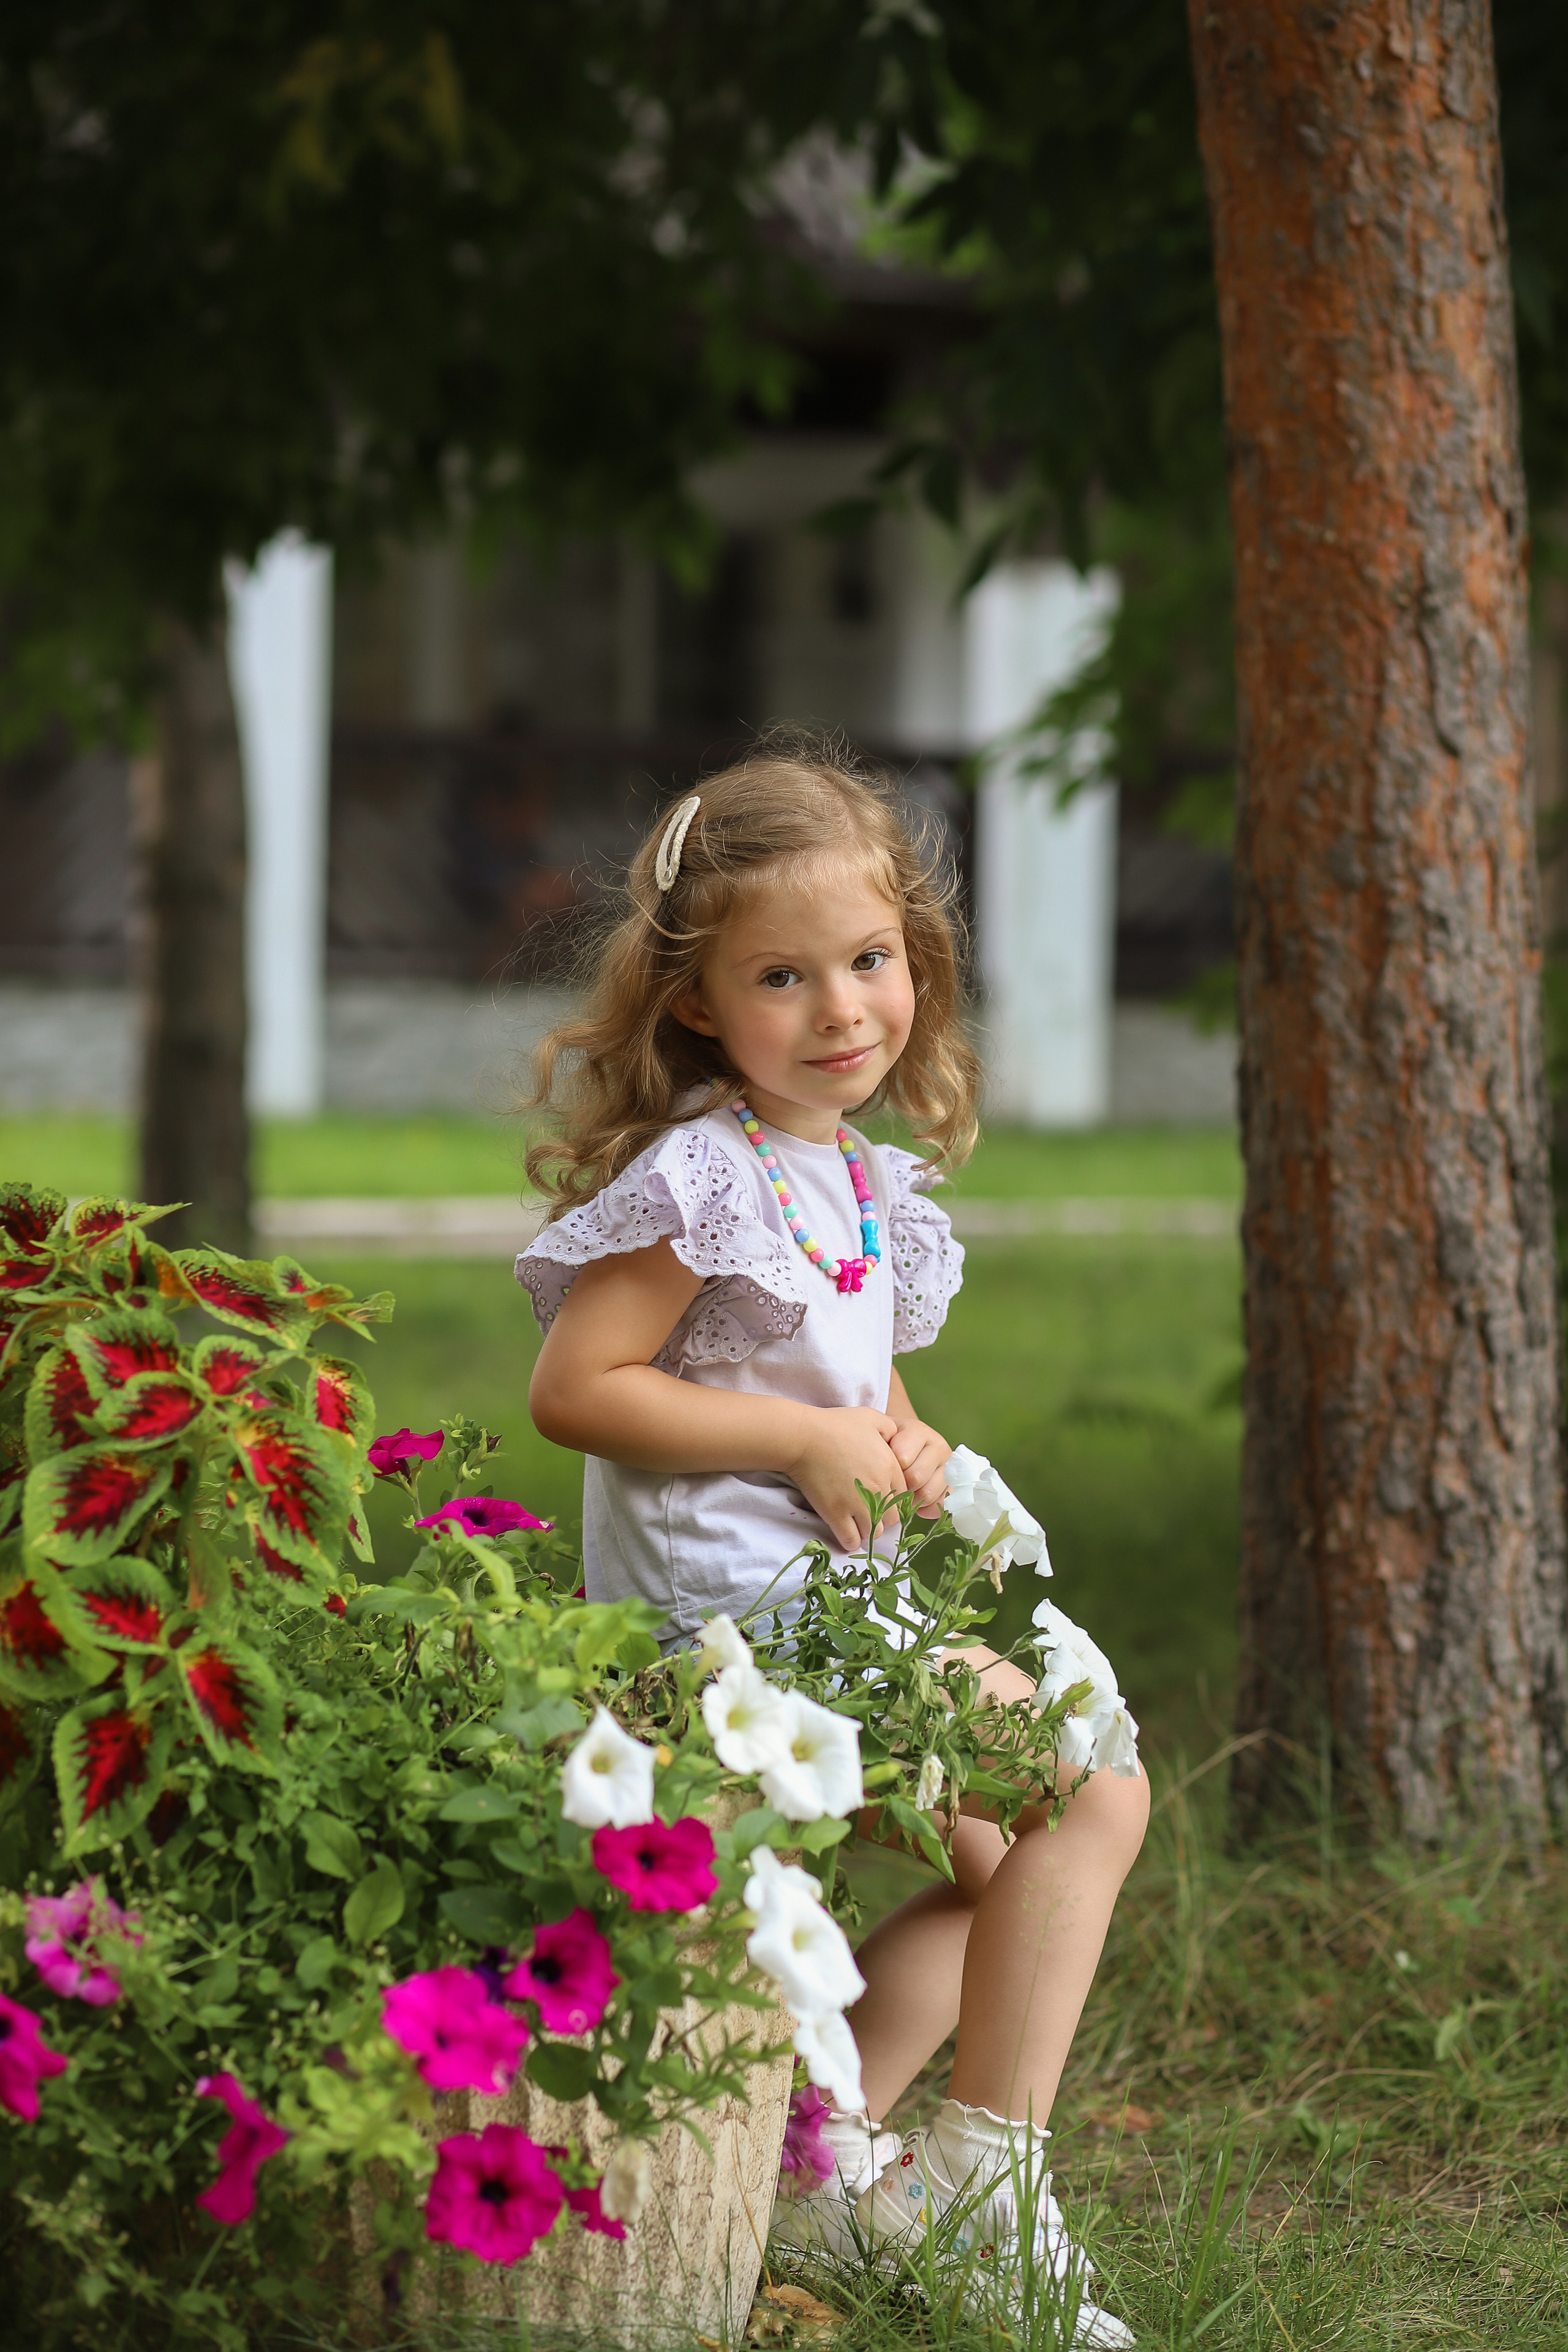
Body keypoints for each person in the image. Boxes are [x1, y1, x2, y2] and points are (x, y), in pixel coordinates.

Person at [516, 734, 1147, 2342]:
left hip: (828, 1586)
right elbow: (579, 1390)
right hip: (726, 1616)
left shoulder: (856, 1182)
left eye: (871, 962)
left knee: (1015, 1863)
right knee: (1081, 1787)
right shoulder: (702, 1174)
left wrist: (899, 1438)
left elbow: (852, 1381)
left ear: (915, 962)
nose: (845, 1009)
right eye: (785, 977)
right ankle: (980, 2200)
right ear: (696, 1004)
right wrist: (800, 1440)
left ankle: (828, 2171)